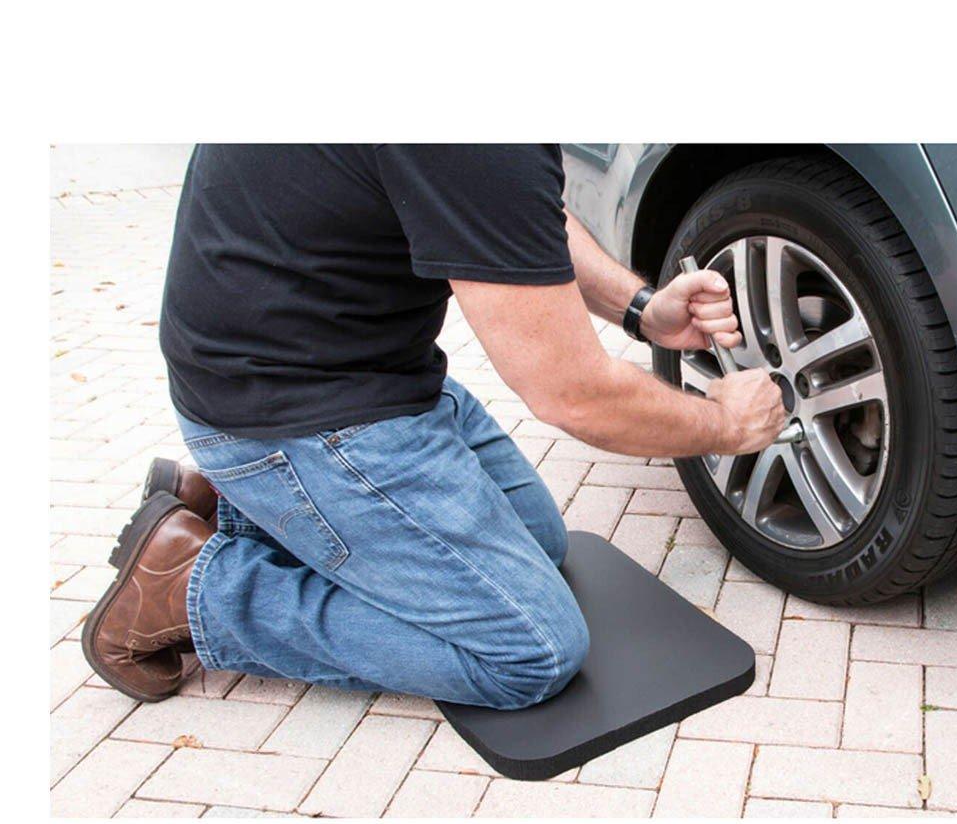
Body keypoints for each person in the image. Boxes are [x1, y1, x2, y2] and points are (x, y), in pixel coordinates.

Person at [82, 145, 786, 709]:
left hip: (343, 370)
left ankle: (239, 506)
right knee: (529, 650)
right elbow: (575, 395)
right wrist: (726, 422)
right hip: (295, 411)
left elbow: (514, 214)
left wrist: (640, 310)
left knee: (541, 543)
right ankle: (191, 589)